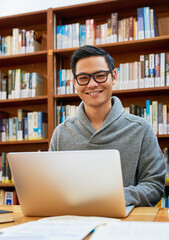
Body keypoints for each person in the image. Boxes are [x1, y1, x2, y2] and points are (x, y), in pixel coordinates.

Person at [49, 45, 166, 207]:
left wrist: (118, 196)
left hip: (125, 222)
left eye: (100, 75)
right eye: (83, 78)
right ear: (75, 82)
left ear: (114, 76)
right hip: (74, 220)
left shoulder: (141, 128)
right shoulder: (61, 133)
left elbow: (155, 185)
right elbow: (51, 186)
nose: (92, 84)